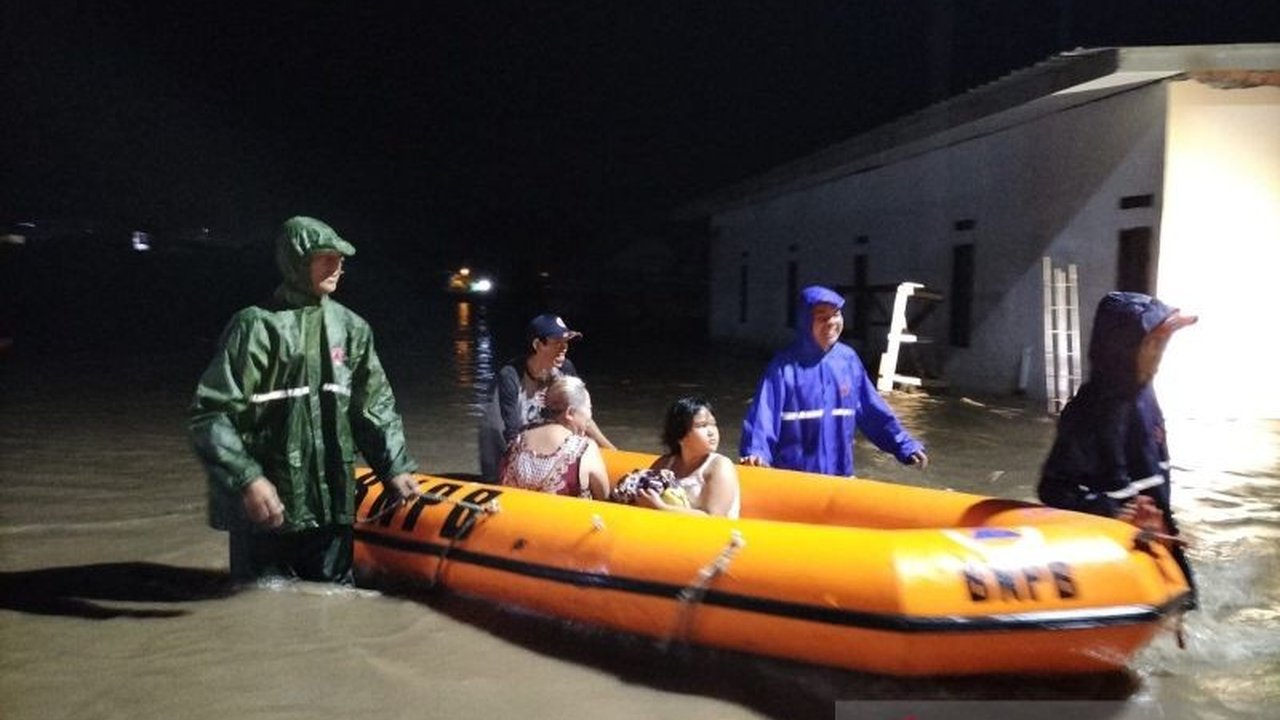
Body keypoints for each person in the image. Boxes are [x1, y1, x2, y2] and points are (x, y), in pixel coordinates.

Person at [189, 216, 420, 585]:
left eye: (340, 259)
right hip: (269, 511)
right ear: (296, 261)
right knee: (262, 610)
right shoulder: (256, 326)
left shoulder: (353, 328)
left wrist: (394, 466)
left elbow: (373, 407)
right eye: (325, 257)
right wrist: (248, 479)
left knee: (334, 605)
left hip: (332, 507)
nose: (336, 267)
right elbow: (211, 415)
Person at [1038, 291, 1198, 603]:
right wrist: (1113, 512)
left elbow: (1154, 481)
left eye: (1163, 344)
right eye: (1152, 343)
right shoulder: (1088, 412)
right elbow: (1053, 488)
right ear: (1122, 351)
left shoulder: (1144, 396)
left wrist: (1170, 534)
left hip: (1155, 540)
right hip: (1112, 557)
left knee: (1186, 606)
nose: (1160, 354)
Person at [740, 285, 927, 477]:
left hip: (839, 479)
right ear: (805, 321)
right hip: (795, 483)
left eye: (836, 315)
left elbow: (872, 411)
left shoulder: (848, 361)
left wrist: (904, 445)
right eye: (822, 317)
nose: (831, 322)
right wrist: (756, 453)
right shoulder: (782, 368)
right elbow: (763, 417)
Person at [478, 313, 614, 481]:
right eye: (557, 342)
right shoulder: (510, 376)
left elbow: (581, 415)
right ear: (537, 344)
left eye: (566, 342)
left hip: (544, 442)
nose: (564, 348)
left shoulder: (565, 369)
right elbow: (509, 432)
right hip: (508, 446)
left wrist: (611, 450)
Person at [498, 375, 610, 500]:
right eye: (589, 408)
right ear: (570, 413)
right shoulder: (585, 448)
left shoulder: (521, 436)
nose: (589, 417)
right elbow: (603, 495)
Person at [637, 397, 741, 518]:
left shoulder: (720, 466)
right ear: (681, 435)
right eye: (702, 426)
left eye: (713, 424)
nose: (711, 432)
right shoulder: (664, 464)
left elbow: (715, 517)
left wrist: (661, 508)